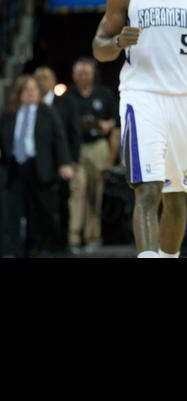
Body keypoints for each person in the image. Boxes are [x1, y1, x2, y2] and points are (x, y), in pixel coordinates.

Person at [91, 0, 187, 259]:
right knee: (148, 189)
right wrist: (117, 42)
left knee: (177, 195)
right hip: (142, 97)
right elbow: (98, 48)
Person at [1, 75, 75, 257]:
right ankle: (15, 248)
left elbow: (59, 139)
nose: (31, 93)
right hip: (14, 167)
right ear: (18, 93)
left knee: (41, 209)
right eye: (26, 90)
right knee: (13, 209)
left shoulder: (47, 112)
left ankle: (42, 247)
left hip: (40, 167)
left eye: (34, 89)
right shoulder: (9, 114)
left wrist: (64, 163)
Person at [62, 57, 118, 254]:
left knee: (96, 192)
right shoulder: (68, 96)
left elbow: (115, 122)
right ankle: (74, 236)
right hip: (77, 148)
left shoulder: (104, 94)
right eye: (79, 73)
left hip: (98, 146)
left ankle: (93, 236)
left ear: (94, 74)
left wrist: (106, 126)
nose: (83, 76)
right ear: (73, 75)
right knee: (78, 191)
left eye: (86, 72)